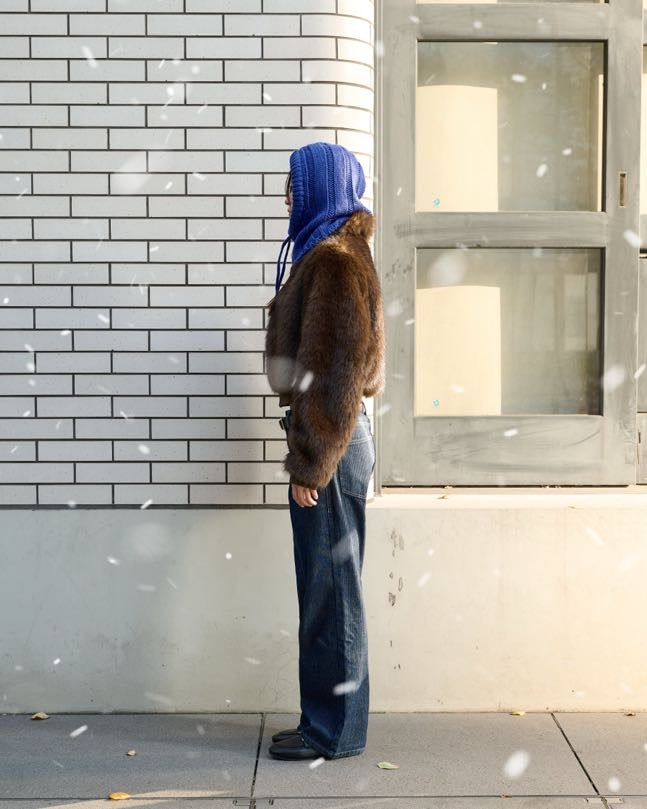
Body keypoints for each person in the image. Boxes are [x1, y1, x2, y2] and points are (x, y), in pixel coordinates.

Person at [264, 142, 386, 761]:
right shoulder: (331, 251)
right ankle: (326, 722)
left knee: (331, 593)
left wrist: (312, 463)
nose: (287, 197)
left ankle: (333, 731)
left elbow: (334, 374)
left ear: (319, 186)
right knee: (325, 589)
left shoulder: (334, 259)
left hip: (329, 441)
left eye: (294, 185)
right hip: (333, 437)